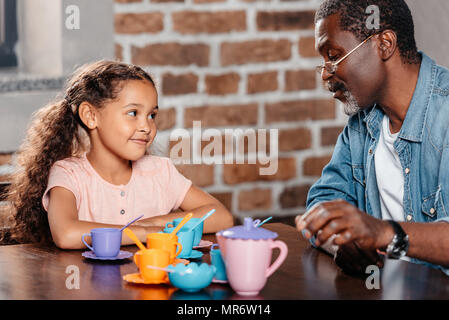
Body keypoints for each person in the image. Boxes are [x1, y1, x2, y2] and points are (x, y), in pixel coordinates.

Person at [3, 60, 234, 249]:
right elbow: (67, 234)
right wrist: (144, 232)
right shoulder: (69, 174)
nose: (146, 126)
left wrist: (158, 223)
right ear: (90, 116)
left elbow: (221, 216)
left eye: (152, 115)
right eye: (133, 113)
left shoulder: (159, 171)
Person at [295, 0, 449, 276]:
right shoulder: (363, 123)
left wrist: (385, 234)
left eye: (334, 54)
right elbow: (324, 198)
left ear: (385, 44)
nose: (325, 72)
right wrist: (339, 242)